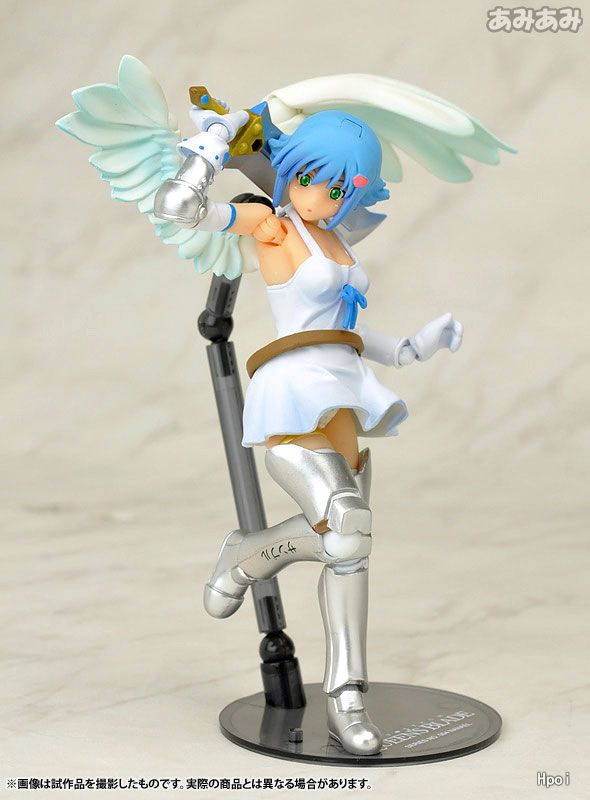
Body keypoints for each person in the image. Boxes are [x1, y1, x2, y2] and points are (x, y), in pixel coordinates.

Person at [154, 109, 463, 755]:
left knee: (351, 549)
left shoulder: (336, 242)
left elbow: (346, 329)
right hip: (294, 392)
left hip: (344, 389)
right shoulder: (273, 225)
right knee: (346, 529)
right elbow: (180, 208)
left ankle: (256, 565)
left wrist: (413, 346)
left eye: (341, 186)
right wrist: (211, 145)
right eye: (314, 178)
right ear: (294, 169)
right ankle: (343, 693)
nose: (323, 195)